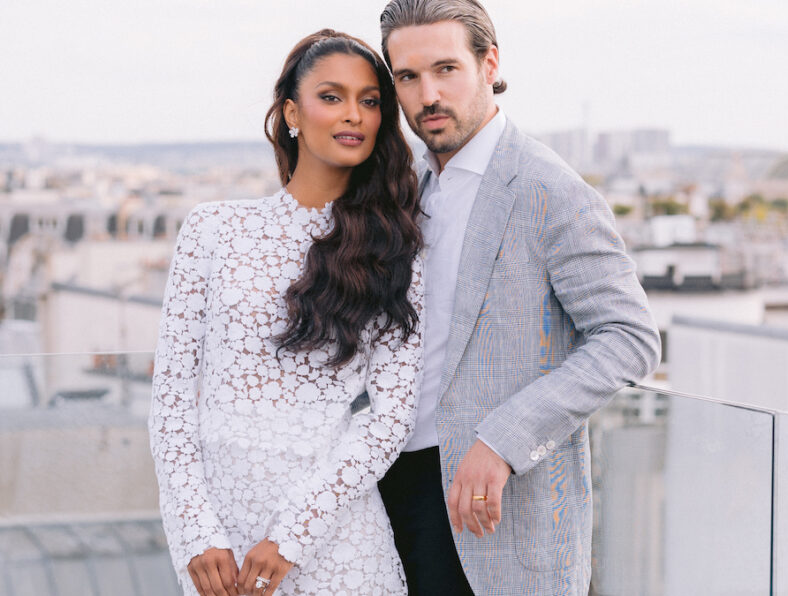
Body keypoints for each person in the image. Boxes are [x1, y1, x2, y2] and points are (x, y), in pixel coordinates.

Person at [375, 1, 663, 594]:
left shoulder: (548, 188)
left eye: (445, 69)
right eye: (407, 76)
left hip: (494, 508)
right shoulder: (413, 187)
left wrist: (502, 440)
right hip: (391, 495)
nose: (427, 94)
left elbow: (630, 339)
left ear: (490, 64)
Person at [149, 29, 423, 596]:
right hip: (218, 543)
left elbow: (388, 420)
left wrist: (293, 537)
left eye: (370, 101)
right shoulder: (212, 230)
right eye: (332, 96)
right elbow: (172, 397)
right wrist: (196, 532)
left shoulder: (396, 247)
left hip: (337, 542)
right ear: (292, 112)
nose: (353, 114)